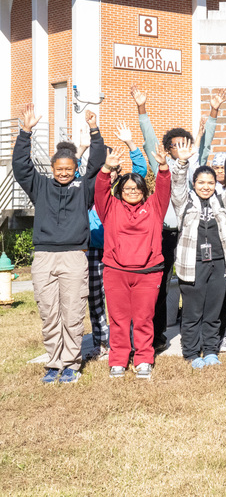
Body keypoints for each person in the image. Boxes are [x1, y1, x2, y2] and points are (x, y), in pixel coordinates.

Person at [14, 105, 104, 384]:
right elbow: (21, 166)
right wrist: (25, 133)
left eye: (68, 168)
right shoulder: (40, 186)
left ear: (76, 168)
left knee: (73, 311)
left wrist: (94, 130)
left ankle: (72, 364)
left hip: (74, 257)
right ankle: (54, 363)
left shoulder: (84, 189)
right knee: (49, 311)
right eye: (59, 169)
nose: (63, 173)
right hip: (44, 257)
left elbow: (97, 165)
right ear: (52, 169)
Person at [132, 85, 221, 352]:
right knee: (158, 286)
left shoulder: (197, 168)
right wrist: (142, 109)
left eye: (186, 144)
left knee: (196, 285)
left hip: (194, 235)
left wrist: (214, 112)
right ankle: (158, 334)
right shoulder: (163, 165)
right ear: (168, 149)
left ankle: (199, 332)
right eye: (176, 145)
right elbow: (148, 141)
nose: (182, 148)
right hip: (165, 234)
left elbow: (206, 144)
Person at [171, 137, 226, 369]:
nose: (206, 186)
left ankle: (211, 350)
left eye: (210, 182)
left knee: (214, 311)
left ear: (215, 184)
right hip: (192, 265)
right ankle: (192, 353)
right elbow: (177, 186)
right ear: (194, 183)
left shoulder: (220, 203)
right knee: (193, 311)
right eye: (201, 182)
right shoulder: (184, 204)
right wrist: (182, 163)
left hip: (218, 264)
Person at [94, 144, 171, 380]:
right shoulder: (110, 208)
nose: (132, 191)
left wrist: (163, 167)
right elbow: (100, 190)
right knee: (118, 319)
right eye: (127, 188)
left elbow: (164, 188)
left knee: (143, 318)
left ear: (144, 191)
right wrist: (106, 168)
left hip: (148, 272)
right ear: (120, 191)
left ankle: (143, 358)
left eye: (137, 188)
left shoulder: (154, 208)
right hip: (116, 271)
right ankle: (118, 360)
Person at [84, 123, 149, 360]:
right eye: (105, 165)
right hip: (93, 249)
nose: (109, 169)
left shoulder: (127, 188)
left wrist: (130, 143)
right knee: (96, 298)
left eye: (112, 165)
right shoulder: (90, 188)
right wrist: (84, 146)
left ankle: (130, 343)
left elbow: (140, 168)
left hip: (121, 253)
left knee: (125, 302)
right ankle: (101, 342)